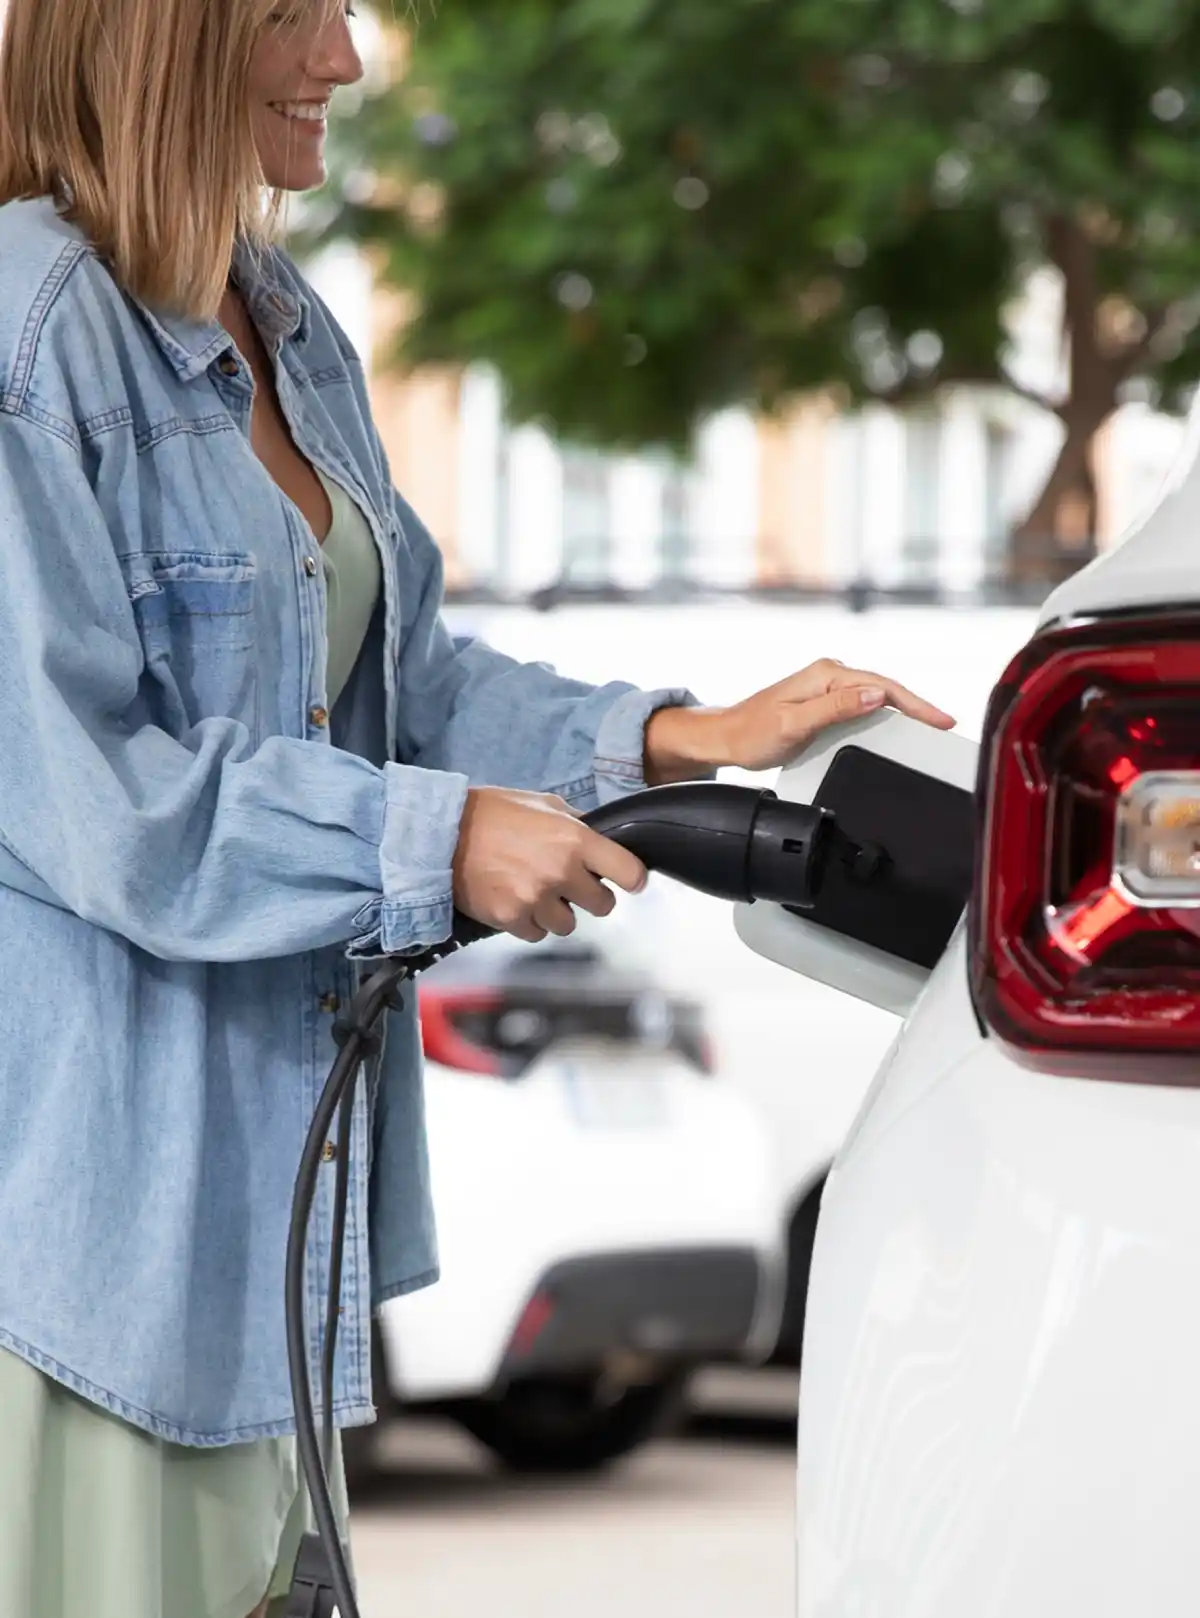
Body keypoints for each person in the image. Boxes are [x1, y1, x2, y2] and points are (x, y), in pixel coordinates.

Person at [0, 2, 955, 1615]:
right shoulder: (30, 330)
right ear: (166, 29)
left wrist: (671, 733)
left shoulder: (284, 324)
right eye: (303, 10)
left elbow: (406, 678)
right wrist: (437, 841)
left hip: (265, 1248)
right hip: (85, 1262)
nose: (351, 60)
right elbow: (95, 790)